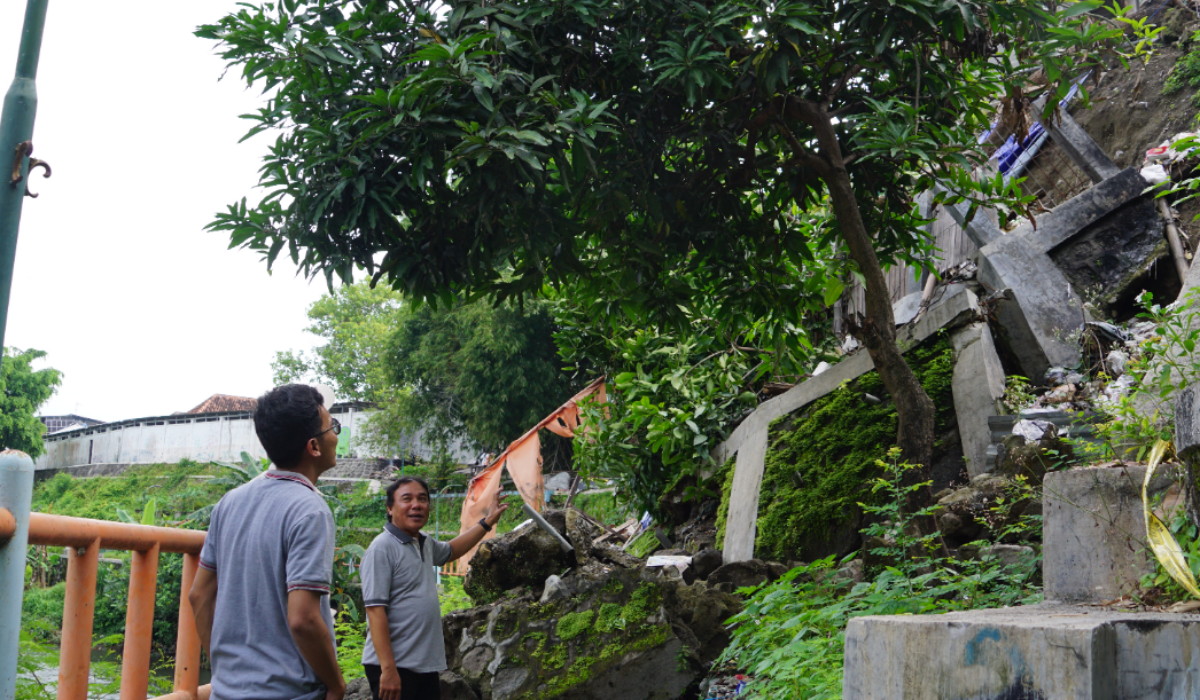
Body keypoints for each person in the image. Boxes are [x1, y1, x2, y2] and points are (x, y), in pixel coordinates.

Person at [189, 384, 346, 700]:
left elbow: (199, 595)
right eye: (334, 427)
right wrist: (336, 684)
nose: (336, 436)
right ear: (313, 446)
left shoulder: (230, 502)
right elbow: (303, 618)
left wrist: (224, 673)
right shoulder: (310, 509)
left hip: (227, 692)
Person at [361, 476, 509, 700]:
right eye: (407, 499)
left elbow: (450, 550)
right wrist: (388, 670)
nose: (416, 505)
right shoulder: (382, 548)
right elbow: (375, 610)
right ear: (390, 508)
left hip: (422, 664)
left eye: (422, 499)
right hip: (395, 665)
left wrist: (487, 522)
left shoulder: (422, 541)